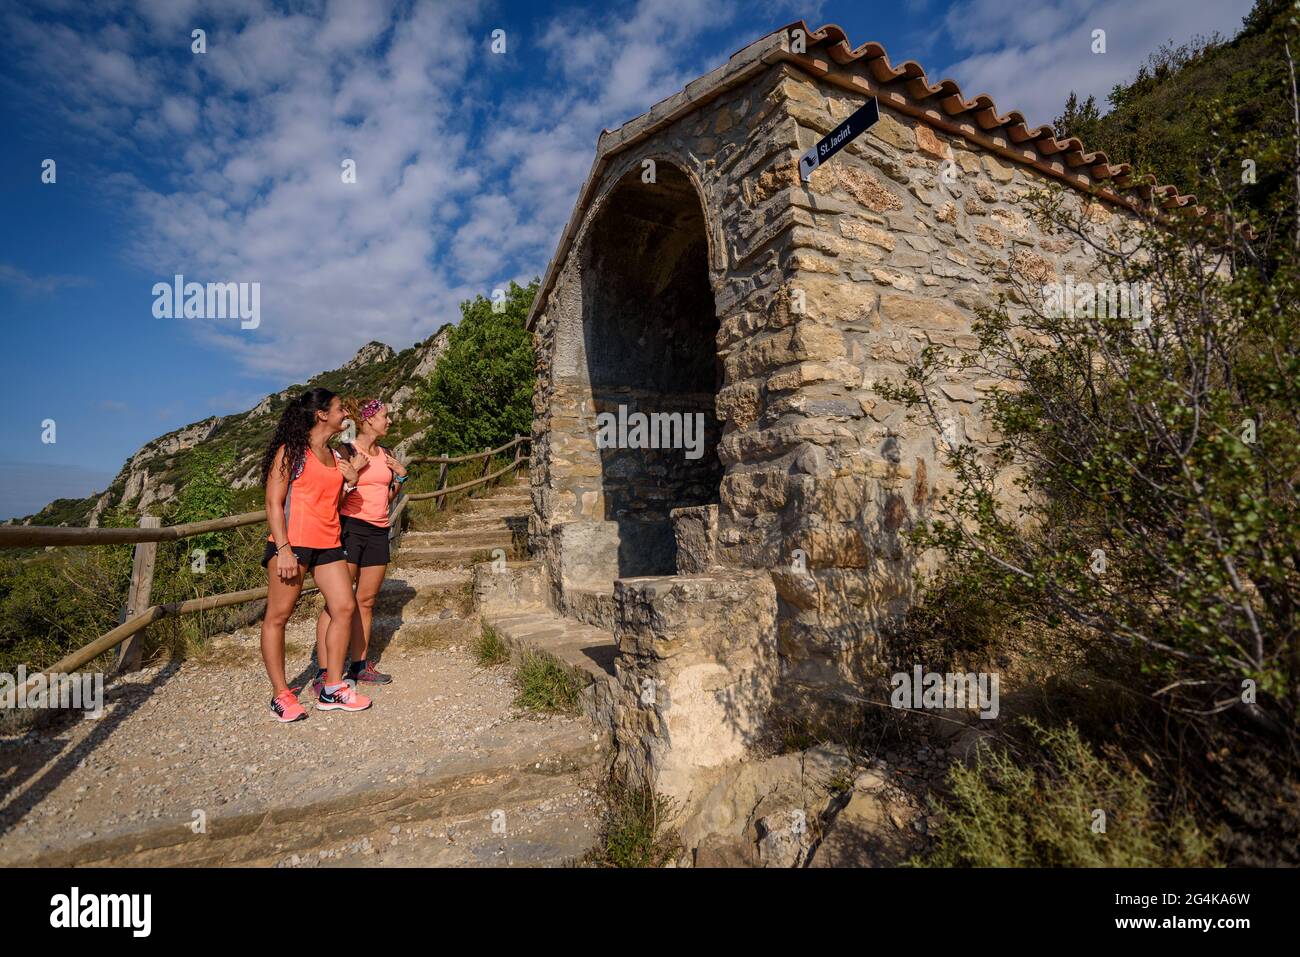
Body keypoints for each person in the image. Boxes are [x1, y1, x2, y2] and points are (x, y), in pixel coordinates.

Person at [259, 388, 373, 721]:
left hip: (328, 542)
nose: (345, 414)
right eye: (339, 408)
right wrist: (283, 550)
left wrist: (351, 482)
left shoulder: (336, 456)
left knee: (345, 606)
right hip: (291, 544)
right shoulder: (291, 452)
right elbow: (273, 503)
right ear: (321, 414)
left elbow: (331, 506)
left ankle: (332, 688)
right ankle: (281, 694)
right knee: (278, 617)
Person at [312, 397, 409, 694]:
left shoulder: (386, 453)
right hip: (350, 530)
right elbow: (332, 498)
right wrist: (352, 473)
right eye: (384, 416)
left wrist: (402, 478)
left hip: (379, 531)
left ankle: (359, 665)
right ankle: (325, 671)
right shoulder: (345, 451)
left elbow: (386, 496)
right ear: (368, 420)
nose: (389, 421)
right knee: (337, 603)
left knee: (366, 601)